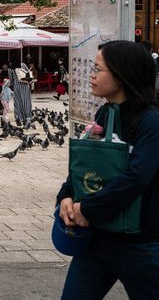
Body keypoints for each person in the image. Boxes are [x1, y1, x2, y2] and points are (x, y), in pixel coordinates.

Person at [56, 40, 159, 299]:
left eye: (97, 69)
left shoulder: (152, 122)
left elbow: (136, 179)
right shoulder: (105, 113)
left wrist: (87, 209)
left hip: (140, 244)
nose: (90, 74)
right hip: (97, 237)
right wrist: (66, 196)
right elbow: (86, 164)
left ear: (122, 76)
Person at [8, 59, 33, 124]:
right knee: (26, 101)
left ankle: (19, 117)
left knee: (18, 102)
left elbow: (11, 80)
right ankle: (28, 117)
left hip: (17, 86)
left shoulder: (10, 69)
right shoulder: (23, 65)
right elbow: (28, 73)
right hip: (25, 85)